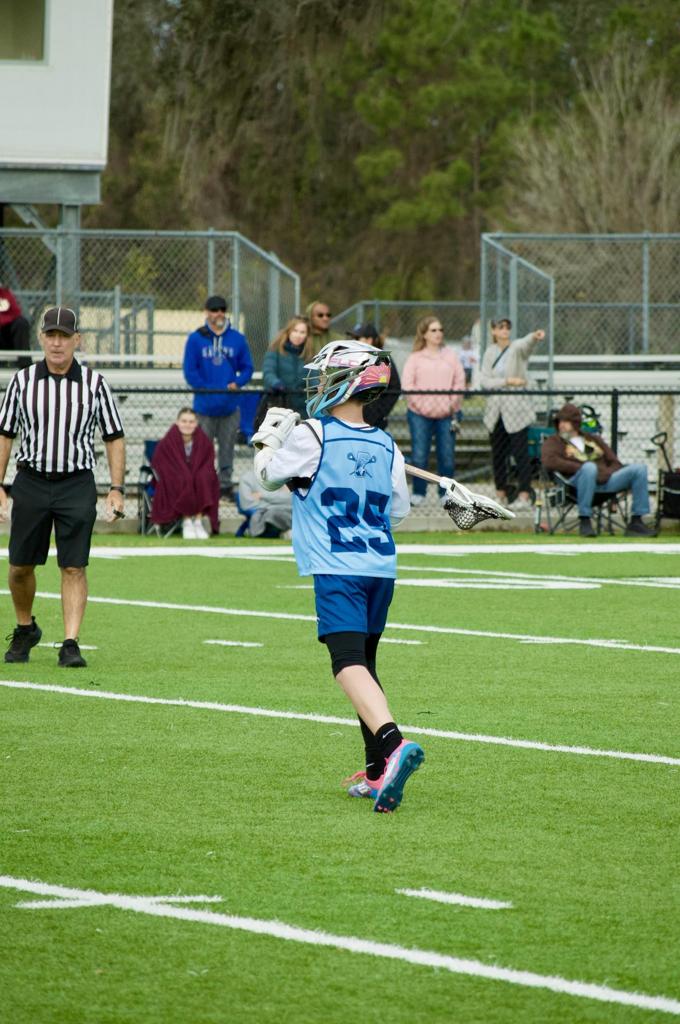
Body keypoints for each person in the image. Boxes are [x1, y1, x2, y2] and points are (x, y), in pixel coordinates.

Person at [251, 340, 424, 814]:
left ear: (345, 383)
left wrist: (268, 440)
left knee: (346, 664)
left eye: (326, 377)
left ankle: (393, 744)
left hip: (337, 566)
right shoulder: (387, 444)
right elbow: (399, 512)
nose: (319, 385)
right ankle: (376, 772)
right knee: (365, 665)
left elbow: (267, 477)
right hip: (380, 567)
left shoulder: (313, 434)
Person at [0, 306, 125, 668]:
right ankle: (26, 627)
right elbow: (5, 434)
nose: (57, 343)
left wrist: (116, 488)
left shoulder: (95, 384)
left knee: (73, 566)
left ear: (77, 340)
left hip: (76, 482)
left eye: (64, 336)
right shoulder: (22, 382)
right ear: (41, 338)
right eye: (51, 335)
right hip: (31, 481)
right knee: (20, 566)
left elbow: (114, 437)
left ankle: (70, 642)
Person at [541, 403, 657, 537]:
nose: (562, 424)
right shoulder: (554, 441)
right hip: (575, 485)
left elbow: (615, 462)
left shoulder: (593, 439)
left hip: (605, 482)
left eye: (566, 421)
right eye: (560, 421)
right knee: (589, 468)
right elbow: (549, 461)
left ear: (575, 422)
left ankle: (636, 522)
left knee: (639, 469)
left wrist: (604, 474)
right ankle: (585, 520)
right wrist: (582, 469)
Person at [183, 294, 254, 500]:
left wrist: (237, 383)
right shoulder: (196, 338)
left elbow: (247, 368)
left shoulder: (237, 339)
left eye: (222, 309)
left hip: (229, 406)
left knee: (227, 449)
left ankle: (224, 486)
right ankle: (203, 485)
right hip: (204, 406)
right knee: (203, 449)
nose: (219, 313)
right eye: (214, 310)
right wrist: (205, 388)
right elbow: (190, 371)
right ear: (207, 312)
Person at [480, 316, 545, 510]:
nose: (505, 330)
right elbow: (484, 381)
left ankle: (524, 494)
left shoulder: (515, 348)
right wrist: (507, 382)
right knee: (498, 455)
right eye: (500, 327)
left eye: (507, 327)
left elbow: (525, 345)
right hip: (496, 412)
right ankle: (500, 493)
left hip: (516, 411)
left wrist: (534, 336)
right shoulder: (490, 352)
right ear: (493, 330)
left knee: (520, 454)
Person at [401, 315, 465, 506]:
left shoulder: (451, 356)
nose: (438, 333)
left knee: (447, 456)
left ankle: (446, 494)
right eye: (433, 330)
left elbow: (459, 381)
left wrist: (450, 404)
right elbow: (408, 385)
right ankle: (419, 492)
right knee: (420, 454)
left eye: (440, 330)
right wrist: (422, 406)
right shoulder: (415, 358)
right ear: (424, 334)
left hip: (447, 415)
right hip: (419, 415)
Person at [150, 407, 220, 539]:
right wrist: (184, 472)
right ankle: (187, 520)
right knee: (183, 478)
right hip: (175, 477)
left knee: (204, 478)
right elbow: (159, 463)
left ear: (196, 423)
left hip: (196, 476)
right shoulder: (167, 441)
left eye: (191, 422)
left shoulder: (203, 440)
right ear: (177, 422)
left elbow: (208, 462)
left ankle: (198, 521)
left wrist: (195, 473)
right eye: (184, 421)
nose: (187, 425)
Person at [349, 322, 401, 431]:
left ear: (369, 340)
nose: (353, 341)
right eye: (353, 338)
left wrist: (379, 412)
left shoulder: (383, 360)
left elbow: (395, 388)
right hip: (351, 419)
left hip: (375, 422)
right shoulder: (350, 359)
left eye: (357, 338)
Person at [261, 315, 313, 418]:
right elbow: (268, 371)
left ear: (307, 335)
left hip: (302, 407)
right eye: (295, 331)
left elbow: (314, 378)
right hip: (278, 404)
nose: (298, 335)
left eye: (302, 332)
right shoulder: (275, 350)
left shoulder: (310, 354)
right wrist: (276, 383)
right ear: (288, 331)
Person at [237, 468, 292, 538]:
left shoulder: (283, 477)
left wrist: (262, 495)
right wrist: (276, 499)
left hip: (286, 509)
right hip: (265, 512)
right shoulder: (246, 478)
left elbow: (290, 499)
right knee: (272, 514)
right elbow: (247, 504)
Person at [0, 283, 30, 367]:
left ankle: (25, 365)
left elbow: (16, 313)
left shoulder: (5, 293)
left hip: (7, 335)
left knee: (21, 323)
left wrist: (4, 319)